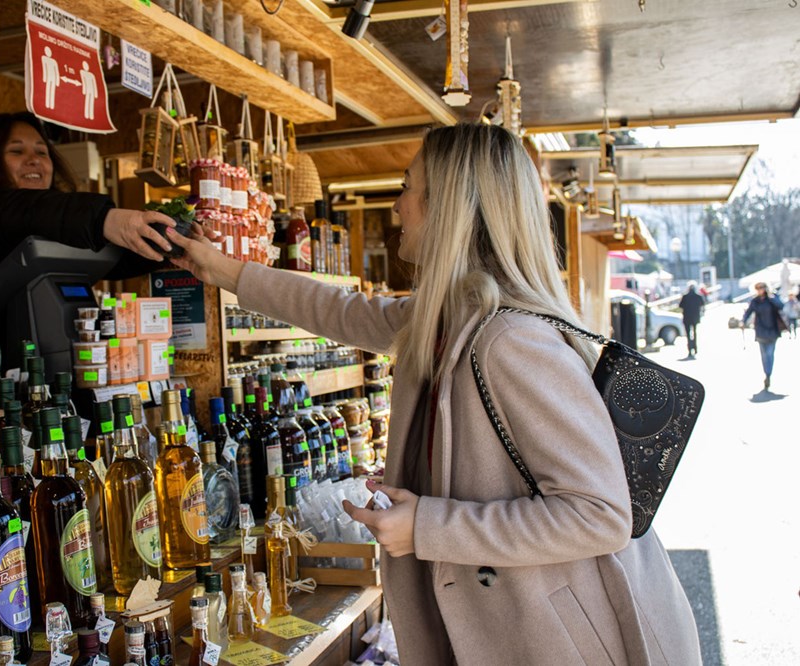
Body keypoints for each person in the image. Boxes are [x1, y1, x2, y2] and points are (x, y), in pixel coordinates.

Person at [167, 123, 701, 665]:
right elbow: (340, 311)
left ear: (450, 208)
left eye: (407, 187)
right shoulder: (453, 318)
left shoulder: (510, 341)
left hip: (565, 642)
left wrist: (426, 526)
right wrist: (220, 268)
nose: (397, 205)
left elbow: (598, 513)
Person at [0, 111, 182, 344]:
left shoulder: (56, 219)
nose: (34, 160)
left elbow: (109, 256)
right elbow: (17, 211)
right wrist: (103, 219)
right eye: (16, 151)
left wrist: (169, 242)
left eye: (42, 152)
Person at [741, 282, 785, 390]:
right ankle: (767, 373)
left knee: (770, 354)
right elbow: (748, 312)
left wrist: (772, 297)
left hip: (773, 330)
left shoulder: (772, 298)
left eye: (762, 288)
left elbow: (781, 306)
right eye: (758, 288)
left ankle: (768, 374)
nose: (760, 290)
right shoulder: (755, 301)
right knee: (764, 355)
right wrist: (743, 321)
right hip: (760, 331)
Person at [678, 281, 705, 357]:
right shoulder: (698, 296)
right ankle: (695, 348)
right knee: (695, 333)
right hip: (695, 317)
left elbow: (680, 306)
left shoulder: (685, 296)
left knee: (688, 334)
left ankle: (690, 349)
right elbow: (702, 304)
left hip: (687, 317)